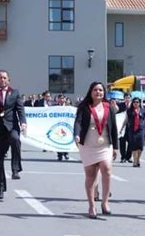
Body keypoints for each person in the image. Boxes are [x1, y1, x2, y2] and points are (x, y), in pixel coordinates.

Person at [73, 82, 118, 219]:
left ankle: (105, 202)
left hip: (105, 144)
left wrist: (115, 146)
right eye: (95, 90)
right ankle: (92, 205)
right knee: (91, 175)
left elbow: (114, 128)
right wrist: (77, 134)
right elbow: (78, 122)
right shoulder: (84, 107)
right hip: (88, 144)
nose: (98, 92)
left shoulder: (108, 107)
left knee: (107, 168)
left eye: (100, 90)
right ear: (90, 92)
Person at [0, 70, 27, 199]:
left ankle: (15, 169)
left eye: (5, 78)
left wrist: (23, 122)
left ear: (9, 80)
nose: (2, 80)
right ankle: (0, 188)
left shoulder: (15, 93)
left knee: (15, 140)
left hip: (11, 126)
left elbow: (20, 109)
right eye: (0, 78)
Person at [125, 97, 145, 167]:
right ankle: (135, 161)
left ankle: (138, 159)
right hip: (132, 130)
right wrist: (122, 128)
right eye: (134, 102)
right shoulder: (129, 111)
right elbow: (126, 120)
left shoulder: (143, 111)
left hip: (141, 130)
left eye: (137, 102)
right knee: (133, 145)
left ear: (139, 103)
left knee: (140, 146)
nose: (135, 103)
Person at [117, 93, 132, 163]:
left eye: (128, 98)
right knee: (122, 142)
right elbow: (116, 113)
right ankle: (123, 157)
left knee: (131, 142)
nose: (127, 99)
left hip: (130, 126)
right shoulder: (120, 105)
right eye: (126, 98)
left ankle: (128, 157)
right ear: (124, 98)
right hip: (121, 127)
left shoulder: (134, 105)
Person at [55, 94, 69, 161]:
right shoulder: (54, 107)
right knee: (58, 140)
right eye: (60, 98)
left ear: (65, 99)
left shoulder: (68, 107)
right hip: (57, 126)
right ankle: (59, 155)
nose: (61, 100)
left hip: (66, 126)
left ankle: (66, 153)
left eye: (62, 98)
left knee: (66, 139)